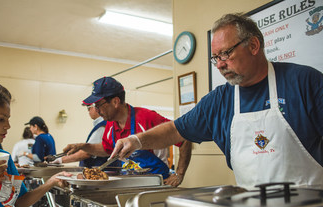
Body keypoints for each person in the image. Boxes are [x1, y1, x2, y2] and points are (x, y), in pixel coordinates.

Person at [110, 13, 323, 189]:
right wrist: (137, 141)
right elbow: (176, 130)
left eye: (225, 54)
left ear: (254, 46)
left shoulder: (304, 82)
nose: (219, 65)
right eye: (215, 58)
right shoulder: (220, 100)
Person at [63, 77, 192, 187]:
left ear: (115, 102)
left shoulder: (146, 118)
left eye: (98, 105)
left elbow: (184, 136)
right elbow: (106, 149)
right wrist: (82, 146)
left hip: (154, 184)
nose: (96, 111)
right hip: (129, 184)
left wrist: (179, 174)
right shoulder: (111, 124)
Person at [52, 103, 117, 168]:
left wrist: (60, 160)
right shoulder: (103, 125)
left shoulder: (102, 127)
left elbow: (87, 153)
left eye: (89, 108)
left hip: (101, 171)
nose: (88, 111)